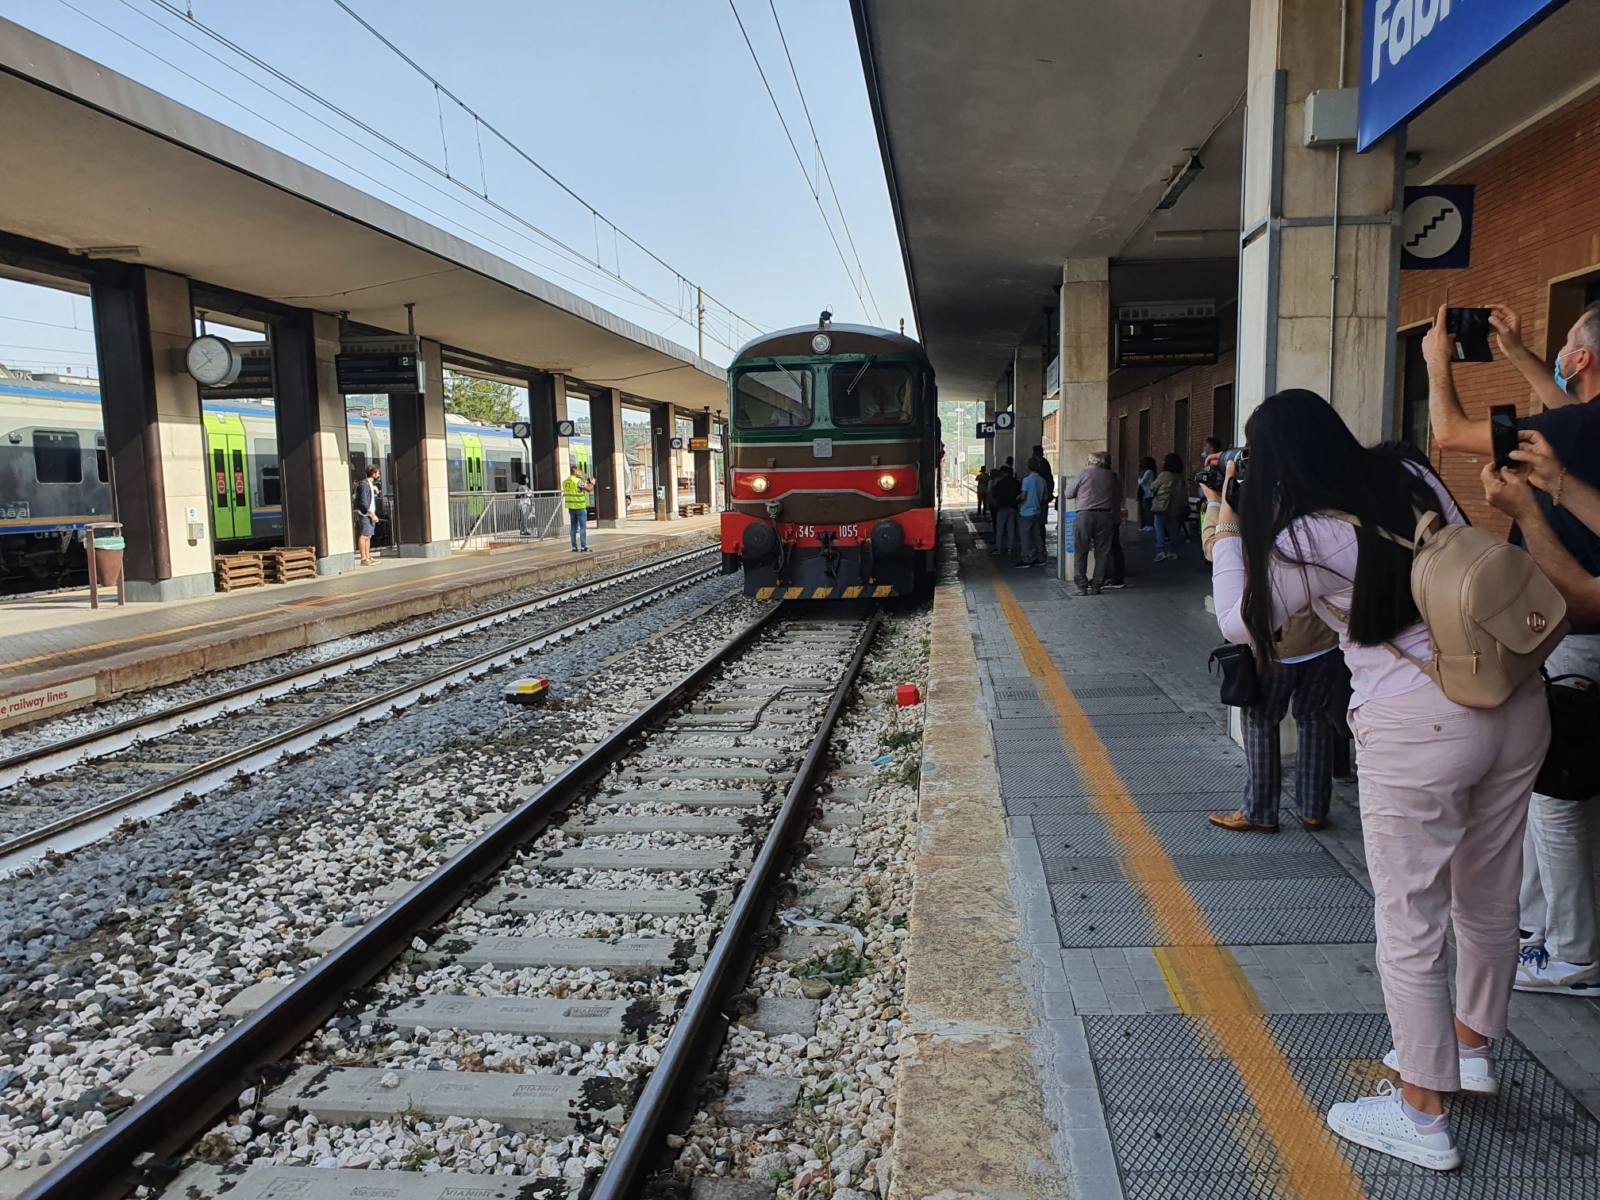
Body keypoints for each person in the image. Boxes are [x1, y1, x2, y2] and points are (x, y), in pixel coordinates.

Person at [1212, 388, 1549, 1171]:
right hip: (1513, 696)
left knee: (1410, 918)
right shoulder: (1407, 472)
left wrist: (1230, 528)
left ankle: (1422, 1116)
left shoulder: (1303, 538)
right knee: (1490, 894)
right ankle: (1469, 1050)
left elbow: (1240, 621)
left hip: (1420, 725)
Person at [1428, 299, 1600, 995]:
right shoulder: (1582, 427)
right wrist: (1521, 354)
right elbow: (1568, 423)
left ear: (1583, 357)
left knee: (1558, 798)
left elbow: (1446, 432)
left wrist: (1439, 365)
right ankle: (1539, 929)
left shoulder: (1582, 427)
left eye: (1566, 347)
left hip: (1573, 631)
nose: (1559, 356)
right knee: (1546, 786)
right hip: (1576, 634)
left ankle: (1574, 951)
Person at [1200, 478, 1349, 832]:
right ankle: (1314, 808)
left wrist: (1215, 504)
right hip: (1323, 644)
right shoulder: (1320, 528)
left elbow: (1214, 547)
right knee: (1314, 720)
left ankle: (1259, 811)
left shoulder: (1252, 530)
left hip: (1274, 648)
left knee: (1260, 724)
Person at [1061, 450, 1116, 595]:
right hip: (1105, 516)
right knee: (1103, 552)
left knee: (1081, 550)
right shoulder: (1110, 476)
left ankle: (1082, 586)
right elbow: (1117, 495)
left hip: (1085, 515)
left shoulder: (1083, 474)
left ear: (1089, 461)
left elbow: (1068, 494)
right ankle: (1097, 585)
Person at [1150, 454, 1185, 561]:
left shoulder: (1164, 475)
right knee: (1172, 529)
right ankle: (1173, 551)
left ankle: (1160, 551)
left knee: (1159, 528)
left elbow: (1153, 486)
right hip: (1174, 507)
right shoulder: (1179, 477)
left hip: (1161, 506)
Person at [1016, 457, 1048, 568]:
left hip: (1026, 512)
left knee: (1025, 536)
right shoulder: (1042, 480)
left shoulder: (1027, 480)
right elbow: (1045, 497)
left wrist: (1017, 498)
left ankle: (1027, 558)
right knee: (1037, 535)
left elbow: (1024, 496)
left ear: (1028, 467)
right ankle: (1040, 557)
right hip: (1037, 511)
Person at [989, 465, 1021, 556]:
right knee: (1011, 528)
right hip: (1013, 508)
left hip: (1002, 508)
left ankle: (998, 548)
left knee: (1000, 529)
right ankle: (1010, 548)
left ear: (1004, 473)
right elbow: (1020, 494)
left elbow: (994, 494)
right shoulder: (1017, 483)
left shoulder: (1000, 483)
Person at [563, 463, 595, 552]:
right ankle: (583, 547)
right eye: (579, 470)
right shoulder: (577, 481)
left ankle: (574, 547)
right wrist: (592, 483)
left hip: (571, 507)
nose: (580, 472)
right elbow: (589, 489)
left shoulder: (565, 481)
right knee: (582, 527)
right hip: (580, 506)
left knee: (573, 527)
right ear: (575, 471)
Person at [353, 464, 380, 566]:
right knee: (364, 535)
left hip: (369, 513)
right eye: (378, 473)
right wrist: (372, 514)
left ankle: (368, 557)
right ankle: (363, 558)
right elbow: (363, 502)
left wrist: (375, 491)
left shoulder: (369, 484)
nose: (378, 475)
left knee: (368, 536)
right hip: (365, 514)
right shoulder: (364, 484)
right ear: (373, 473)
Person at [1136, 456, 1157, 530]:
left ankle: (1150, 525)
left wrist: (1138, 478)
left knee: (1148, 510)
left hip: (1148, 494)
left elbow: (1142, 482)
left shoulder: (1149, 472)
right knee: (1144, 510)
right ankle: (1145, 525)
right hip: (1144, 494)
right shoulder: (1145, 472)